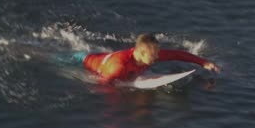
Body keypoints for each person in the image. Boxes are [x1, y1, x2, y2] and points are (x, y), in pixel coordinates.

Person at [74, 33, 221, 82]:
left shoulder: (149, 55)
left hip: (101, 57)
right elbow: (102, 85)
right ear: (141, 53)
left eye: (157, 53)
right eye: (153, 55)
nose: (157, 57)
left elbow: (178, 54)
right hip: (81, 61)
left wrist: (204, 62)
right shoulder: (117, 68)